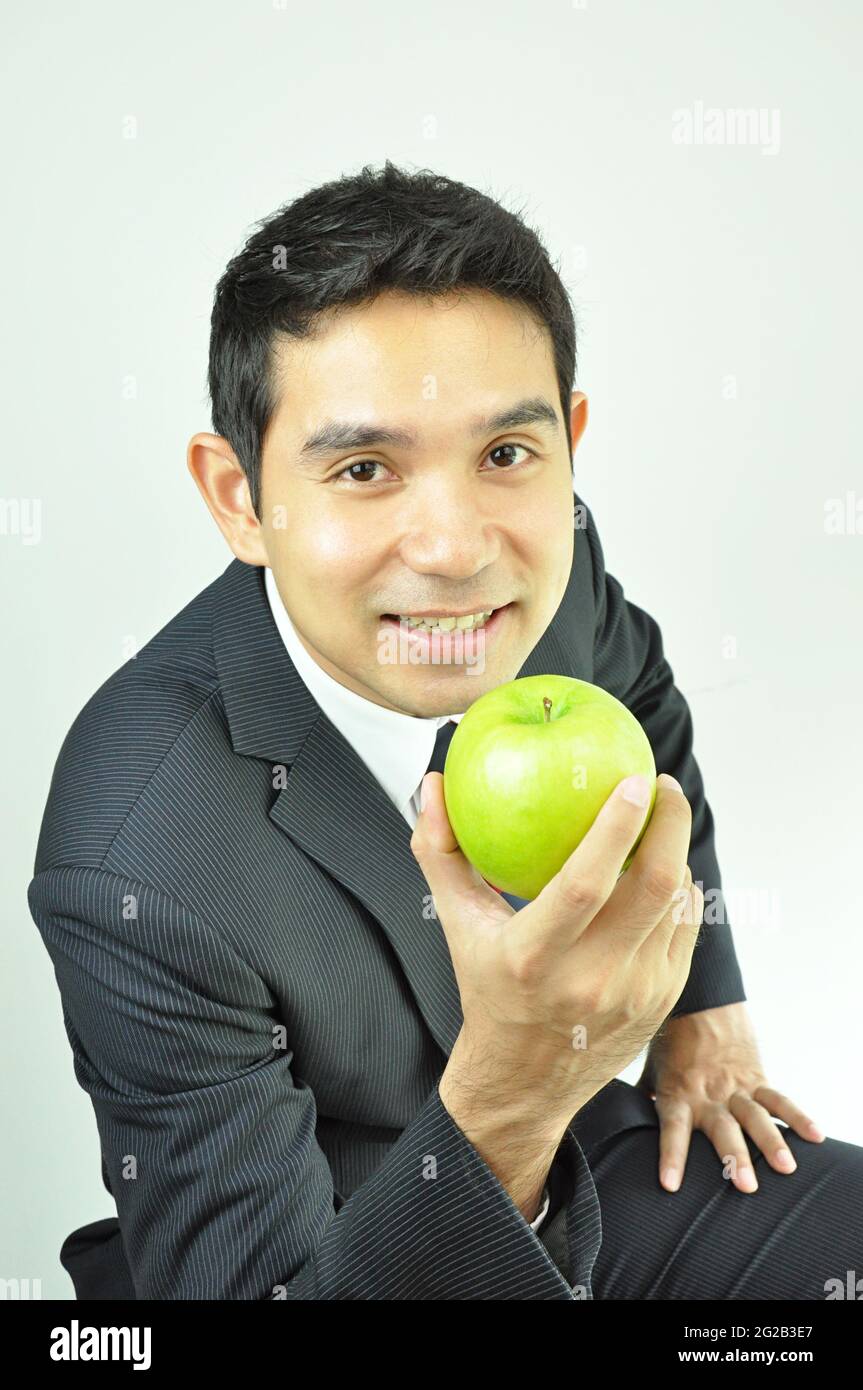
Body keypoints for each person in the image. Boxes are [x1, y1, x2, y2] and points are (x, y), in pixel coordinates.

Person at [29, 161, 862, 1300]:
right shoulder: (132, 845)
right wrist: (510, 1089)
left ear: (566, 444)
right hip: (345, 1242)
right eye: (365, 468)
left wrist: (701, 1010)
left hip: (590, 1162)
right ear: (238, 497)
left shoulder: (547, 575)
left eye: (505, 454)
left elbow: (646, 706)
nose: (457, 549)